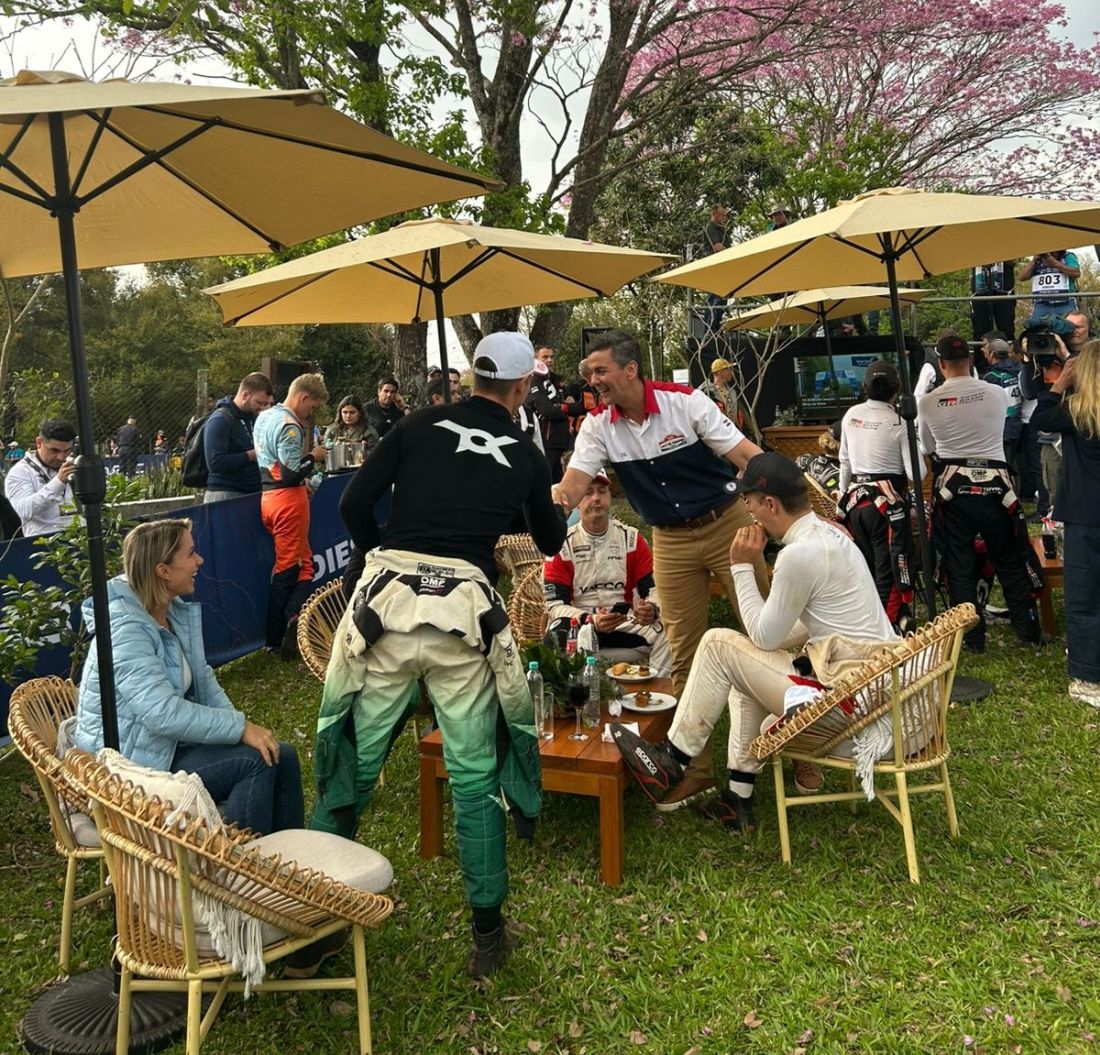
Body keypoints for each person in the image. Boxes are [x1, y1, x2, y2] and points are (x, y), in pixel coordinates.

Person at [311, 331, 566, 980]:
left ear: (473, 375)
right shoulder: (526, 452)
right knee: (474, 778)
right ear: (522, 386)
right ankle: (487, 935)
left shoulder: (417, 424)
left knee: (353, 764)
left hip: (385, 611)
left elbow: (352, 501)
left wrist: (375, 551)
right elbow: (550, 538)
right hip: (465, 619)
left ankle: (307, 920)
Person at [611, 453, 896, 831]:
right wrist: (747, 649)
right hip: (878, 699)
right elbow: (794, 630)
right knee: (742, 660)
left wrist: (741, 565)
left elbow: (764, 635)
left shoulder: (799, 554)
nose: (747, 513)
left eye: (749, 503)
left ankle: (672, 761)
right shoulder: (831, 537)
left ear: (771, 504)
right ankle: (737, 799)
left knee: (717, 643)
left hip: (852, 714)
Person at [553, 329, 771, 809]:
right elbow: (571, 487)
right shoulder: (597, 425)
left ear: (631, 369)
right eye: (589, 373)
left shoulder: (684, 402)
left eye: (601, 371)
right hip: (669, 539)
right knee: (684, 653)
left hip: (727, 523)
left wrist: (785, 512)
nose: (593, 381)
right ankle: (697, 771)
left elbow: (745, 456)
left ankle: (795, 747)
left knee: (766, 636)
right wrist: (544, 501)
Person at [73, 519, 303, 834]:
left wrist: (242, 731)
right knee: (253, 764)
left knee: (280, 754)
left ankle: (292, 856)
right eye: (191, 553)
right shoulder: (125, 630)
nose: (200, 561)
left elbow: (203, 681)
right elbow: (162, 714)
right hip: (128, 769)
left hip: (164, 748)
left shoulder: (169, 610)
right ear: (163, 570)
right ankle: (241, 863)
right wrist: (239, 729)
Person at [918, 334, 1043, 653]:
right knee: (1009, 557)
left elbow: (928, 447)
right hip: (997, 486)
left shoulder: (928, 402)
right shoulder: (994, 393)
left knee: (959, 564)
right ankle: (1027, 628)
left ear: (941, 364)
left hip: (953, 490)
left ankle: (971, 638)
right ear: (971, 360)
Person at [543, 471, 671, 672]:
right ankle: (573, 690)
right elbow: (554, 606)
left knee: (670, 626)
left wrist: (651, 608)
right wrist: (591, 619)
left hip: (624, 623)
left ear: (610, 496)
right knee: (555, 632)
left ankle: (658, 688)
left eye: (602, 491)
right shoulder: (561, 544)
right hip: (581, 626)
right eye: (588, 492)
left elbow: (654, 589)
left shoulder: (632, 539)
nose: (596, 498)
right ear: (577, 503)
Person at [1031, 339, 1100, 707]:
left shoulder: (1076, 410)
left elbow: (1039, 419)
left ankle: (1087, 676)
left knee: (1084, 598)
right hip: (1085, 513)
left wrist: (1059, 383)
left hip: (1083, 514)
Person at [838, 361, 924, 631]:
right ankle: (885, 628)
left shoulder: (851, 414)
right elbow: (917, 473)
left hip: (855, 503)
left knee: (868, 567)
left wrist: (841, 498)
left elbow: (845, 462)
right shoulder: (899, 421)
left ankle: (890, 618)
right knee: (889, 571)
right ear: (896, 390)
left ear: (865, 387)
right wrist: (914, 439)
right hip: (886, 508)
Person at [254, 373, 329, 655]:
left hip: (269, 498)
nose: (312, 413)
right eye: (313, 407)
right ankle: (279, 637)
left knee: (303, 564)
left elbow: (276, 467)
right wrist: (313, 457)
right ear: (303, 397)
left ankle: (294, 628)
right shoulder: (290, 425)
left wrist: (301, 479)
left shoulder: (265, 416)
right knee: (289, 569)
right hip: (288, 502)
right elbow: (289, 473)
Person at [1020, 310, 1091, 516]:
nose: (1074, 331)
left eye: (1079, 327)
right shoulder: (1046, 355)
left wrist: (1066, 356)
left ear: (1089, 330)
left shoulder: (1093, 356)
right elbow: (1029, 392)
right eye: (1069, 327)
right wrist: (1027, 359)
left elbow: (1089, 388)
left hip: (1084, 434)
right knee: (1056, 497)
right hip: (1051, 438)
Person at [203, 372, 276, 504]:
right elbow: (215, 463)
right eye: (259, 402)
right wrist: (251, 455)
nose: (262, 408)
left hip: (251, 492)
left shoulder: (253, 418)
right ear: (245, 395)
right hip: (226, 494)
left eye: (266, 404)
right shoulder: (220, 419)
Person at [4, 418, 77, 536]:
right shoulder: (20, 472)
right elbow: (25, 511)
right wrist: (58, 483)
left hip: (80, 536)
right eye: (54, 450)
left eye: (67, 450)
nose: (61, 457)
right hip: (44, 541)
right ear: (39, 443)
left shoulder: (73, 464)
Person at [526, 344, 571, 482]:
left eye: (552, 357)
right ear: (536, 359)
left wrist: (562, 407)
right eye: (545, 357)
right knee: (545, 481)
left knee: (562, 483)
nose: (549, 360)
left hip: (563, 440)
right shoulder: (532, 380)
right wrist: (566, 408)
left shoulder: (558, 380)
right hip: (545, 440)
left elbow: (577, 407)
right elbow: (547, 410)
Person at [981, 338, 1024, 476]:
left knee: (1002, 469)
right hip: (1017, 425)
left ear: (992, 354)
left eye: (987, 352)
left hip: (1001, 430)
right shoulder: (1018, 370)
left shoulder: (992, 376)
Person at [1020, 249, 1080, 326]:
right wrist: (1034, 261)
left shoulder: (1068, 256)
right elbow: (1022, 277)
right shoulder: (1038, 259)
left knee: (1070, 327)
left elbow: (1076, 272)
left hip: (1066, 302)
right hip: (1042, 303)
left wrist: (1056, 264)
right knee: (1037, 329)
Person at [702, 204, 731, 336]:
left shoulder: (721, 229)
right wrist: (734, 252)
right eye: (722, 215)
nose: (724, 218)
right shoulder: (711, 227)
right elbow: (717, 247)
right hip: (715, 266)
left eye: (725, 215)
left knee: (722, 298)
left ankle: (716, 328)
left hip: (723, 267)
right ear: (714, 214)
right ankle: (710, 330)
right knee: (714, 297)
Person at [970, 261, 1016, 342]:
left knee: (1007, 328)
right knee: (980, 329)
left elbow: (1014, 261)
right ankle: (981, 350)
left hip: (1004, 293)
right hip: (980, 293)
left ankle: (1007, 349)